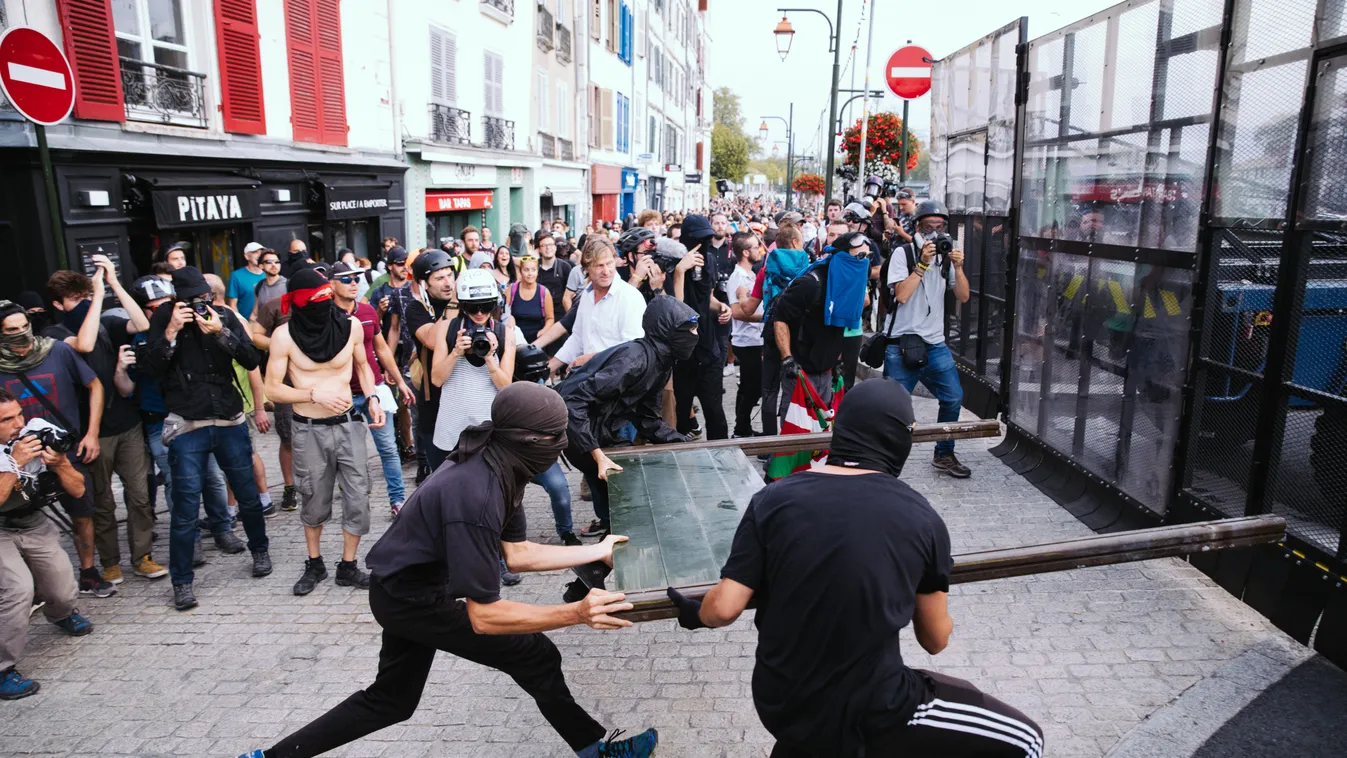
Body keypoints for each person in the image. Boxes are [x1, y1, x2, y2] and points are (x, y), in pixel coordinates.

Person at [238, 383, 659, 758]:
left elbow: (516, 553)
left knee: (392, 700)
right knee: (534, 654)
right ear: (528, 439)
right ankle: (597, 752)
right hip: (411, 600)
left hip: (403, 589)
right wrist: (577, 613)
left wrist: (594, 551)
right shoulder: (476, 494)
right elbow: (485, 615)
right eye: (555, 436)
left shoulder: (503, 460)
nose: (563, 444)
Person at [666, 380, 1044, 758]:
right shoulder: (921, 517)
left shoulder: (772, 499)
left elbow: (724, 608)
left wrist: (695, 613)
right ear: (900, 439)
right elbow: (935, 640)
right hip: (873, 707)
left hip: (781, 703)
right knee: (1026, 739)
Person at [143, 266, 271, 611]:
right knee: (184, 507)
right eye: (192, 300)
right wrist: (170, 331)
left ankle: (260, 551)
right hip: (188, 423)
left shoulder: (224, 316)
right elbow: (151, 369)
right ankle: (182, 582)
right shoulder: (164, 320)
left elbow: (251, 358)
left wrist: (220, 333)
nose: (200, 305)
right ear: (176, 300)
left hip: (228, 419)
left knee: (246, 493)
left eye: (204, 298)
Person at [264, 266, 384, 596]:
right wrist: (312, 394)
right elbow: (272, 389)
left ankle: (348, 566)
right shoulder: (284, 336)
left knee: (358, 497)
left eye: (325, 298)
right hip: (308, 429)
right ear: (301, 304)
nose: (323, 304)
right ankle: (314, 563)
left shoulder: (352, 327)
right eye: (315, 299)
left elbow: (364, 366)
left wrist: (372, 397)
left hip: (348, 424)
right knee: (313, 500)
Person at [555, 296, 696, 539]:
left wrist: (683, 444)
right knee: (632, 503)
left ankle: (598, 565)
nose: (694, 335)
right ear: (668, 331)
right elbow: (573, 403)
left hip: (601, 433)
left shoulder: (661, 362)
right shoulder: (634, 360)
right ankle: (603, 563)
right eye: (689, 329)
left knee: (626, 512)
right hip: (576, 433)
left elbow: (648, 418)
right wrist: (597, 454)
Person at [0, 301, 113, 598]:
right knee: (20, 514)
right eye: (12, 330)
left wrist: (92, 433)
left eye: (25, 326)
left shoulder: (56, 350)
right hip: (18, 454)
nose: (21, 333)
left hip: (64, 447)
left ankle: (88, 572)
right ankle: (32, 583)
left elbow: (95, 386)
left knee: (82, 510)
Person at [0, 387, 95, 700]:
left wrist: (60, 464)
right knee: (17, 589)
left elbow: (79, 491)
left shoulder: (33, 435)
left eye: (19, 415)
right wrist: (15, 463)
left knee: (62, 588)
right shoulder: (15, 451)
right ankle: (3, 669)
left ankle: (62, 614)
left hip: (32, 522)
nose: (18, 425)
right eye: (6, 420)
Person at [884, 199, 973, 478]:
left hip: (935, 343)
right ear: (917, 228)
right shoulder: (904, 253)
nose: (934, 233)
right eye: (928, 227)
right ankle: (883, 461)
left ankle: (944, 454)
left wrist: (957, 267)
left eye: (940, 228)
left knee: (953, 398)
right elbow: (901, 295)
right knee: (892, 408)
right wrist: (922, 264)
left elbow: (963, 296)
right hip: (902, 343)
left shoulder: (946, 258)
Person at [771, 232, 873, 437]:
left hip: (825, 368)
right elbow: (779, 317)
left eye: (868, 257)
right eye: (859, 256)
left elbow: (839, 321)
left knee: (822, 429)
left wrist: (837, 358)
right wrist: (787, 359)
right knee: (795, 431)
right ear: (842, 256)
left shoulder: (850, 283)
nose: (865, 263)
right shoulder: (811, 283)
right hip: (799, 368)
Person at [331, 261, 411, 519]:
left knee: (388, 448)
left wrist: (399, 381)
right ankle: (354, 500)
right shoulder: (326, 315)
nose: (354, 283)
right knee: (350, 454)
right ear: (331, 284)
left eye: (355, 278)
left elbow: (382, 349)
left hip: (374, 389)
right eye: (346, 279)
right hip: (342, 394)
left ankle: (397, 501)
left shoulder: (367, 311)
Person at [670, 214, 730, 441]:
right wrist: (679, 272)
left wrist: (722, 307)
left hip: (708, 348)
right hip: (684, 353)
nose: (703, 245)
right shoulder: (672, 264)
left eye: (707, 239)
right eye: (698, 240)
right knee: (682, 413)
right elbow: (677, 309)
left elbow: (707, 299)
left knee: (715, 411)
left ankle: (722, 458)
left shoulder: (709, 261)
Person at [550, 238, 646, 378]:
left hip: (618, 382)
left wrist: (589, 359)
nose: (606, 271)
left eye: (609, 264)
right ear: (586, 268)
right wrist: (550, 367)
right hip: (589, 380)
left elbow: (631, 349)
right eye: (599, 265)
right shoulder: (586, 296)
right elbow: (577, 338)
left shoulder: (630, 297)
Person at [403, 251, 458, 473]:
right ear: (425, 284)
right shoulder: (417, 309)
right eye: (439, 278)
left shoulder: (471, 304)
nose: (448, 283)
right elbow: (433, 339)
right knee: (442, 478)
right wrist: (455, 304)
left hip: (468, 400)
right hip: (434, 405)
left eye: (450, 275)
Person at [727, 232, 764, 438]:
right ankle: (741, 430)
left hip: (755, 339)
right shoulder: (737, 277)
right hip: (746, 340)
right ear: (745, 252)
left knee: (749, 387)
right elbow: (737, 312)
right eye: (755, 246)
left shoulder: (751, 274)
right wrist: (766, 317)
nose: (760, 249)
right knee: (753, 388)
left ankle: (743, 428)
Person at [507, 255, 554, 344]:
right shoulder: (512, 289)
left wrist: (544, 330)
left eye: (533, 270)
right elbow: (503, 313)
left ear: (537, 272)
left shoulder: (544, 292)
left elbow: (550, 318)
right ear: (521, 271)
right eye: (526, 270)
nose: (530, 274)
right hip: (515, 340)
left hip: (537, 341)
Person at [228, 242, 268, 320]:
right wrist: (242, 324)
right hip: (247, 323)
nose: (259, 255)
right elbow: (232, 305)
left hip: (268, 324)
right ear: (246, 256)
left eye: (261, 252)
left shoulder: (269, 273)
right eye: (255, 252)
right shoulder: (236, 275)